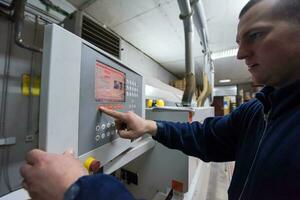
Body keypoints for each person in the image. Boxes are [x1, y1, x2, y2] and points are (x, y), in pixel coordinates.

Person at [20, 0, 300, 199]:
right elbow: (207, 136)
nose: (240, 54)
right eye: (238, 42)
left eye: (255, 35)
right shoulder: (259, 110)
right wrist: (150, 126)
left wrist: (78, 190)